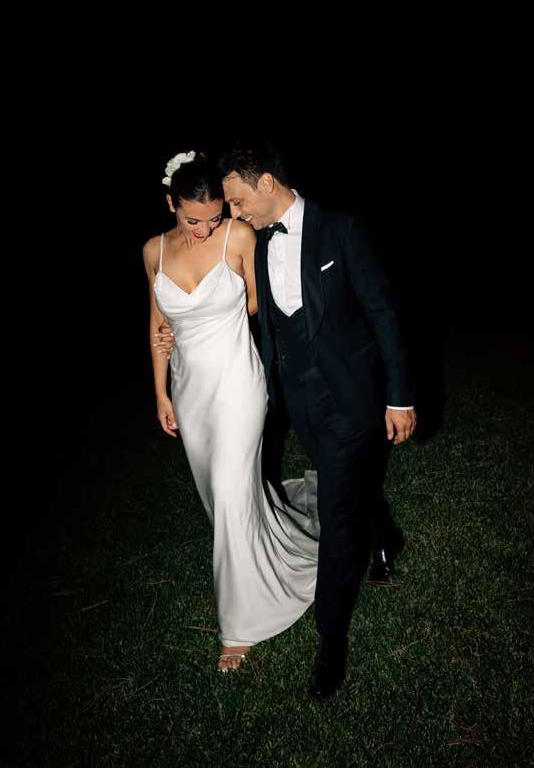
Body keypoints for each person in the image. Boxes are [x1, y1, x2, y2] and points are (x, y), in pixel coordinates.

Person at [156, 143, 416, 699]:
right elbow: (243, 307)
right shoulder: (254, 239)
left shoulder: (342, 230)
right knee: (346, 487)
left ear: (267, 183)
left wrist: (399, 397)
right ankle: (384, 536)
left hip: (350, 397)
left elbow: (382, 313)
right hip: (296, 402)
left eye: (237, 201)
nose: (232, 213)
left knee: (336, 513)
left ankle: (331, 642)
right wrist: (177, 328)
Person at [143, 149, 320, 674]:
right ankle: (273, 551)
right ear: (171, 205)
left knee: (226, 489)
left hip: (238, 382)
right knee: (219, 498)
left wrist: (214, 319)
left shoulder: (238, 237)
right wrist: (161, 393)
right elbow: (157, 324)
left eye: (214, 218)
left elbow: (261, 304)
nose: (205, 230)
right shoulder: (153, 251)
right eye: (192, 221)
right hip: (189, 389)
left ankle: (238, 627)